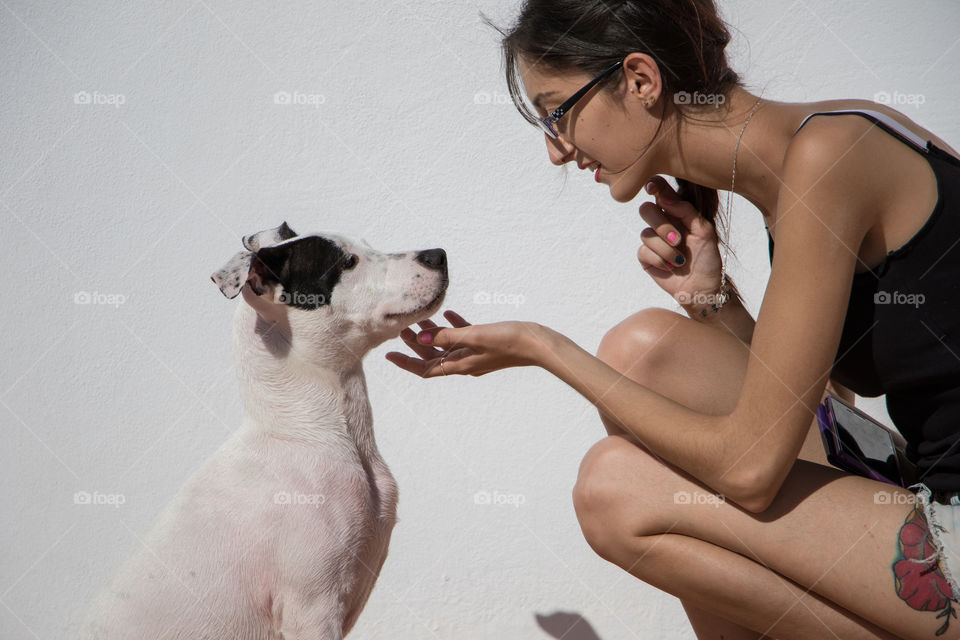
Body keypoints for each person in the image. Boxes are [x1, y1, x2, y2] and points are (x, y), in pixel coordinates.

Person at [385, 1, 960, 638]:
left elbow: (751, 472)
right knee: (643, 347)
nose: (556, 150)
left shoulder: (830, 155)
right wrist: (713, 304)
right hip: (920, 487)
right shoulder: (807, 156)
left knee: (615, 489)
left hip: (951, 528)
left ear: (640, 80)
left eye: (556, 112)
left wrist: (543, 347)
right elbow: (824, 417)